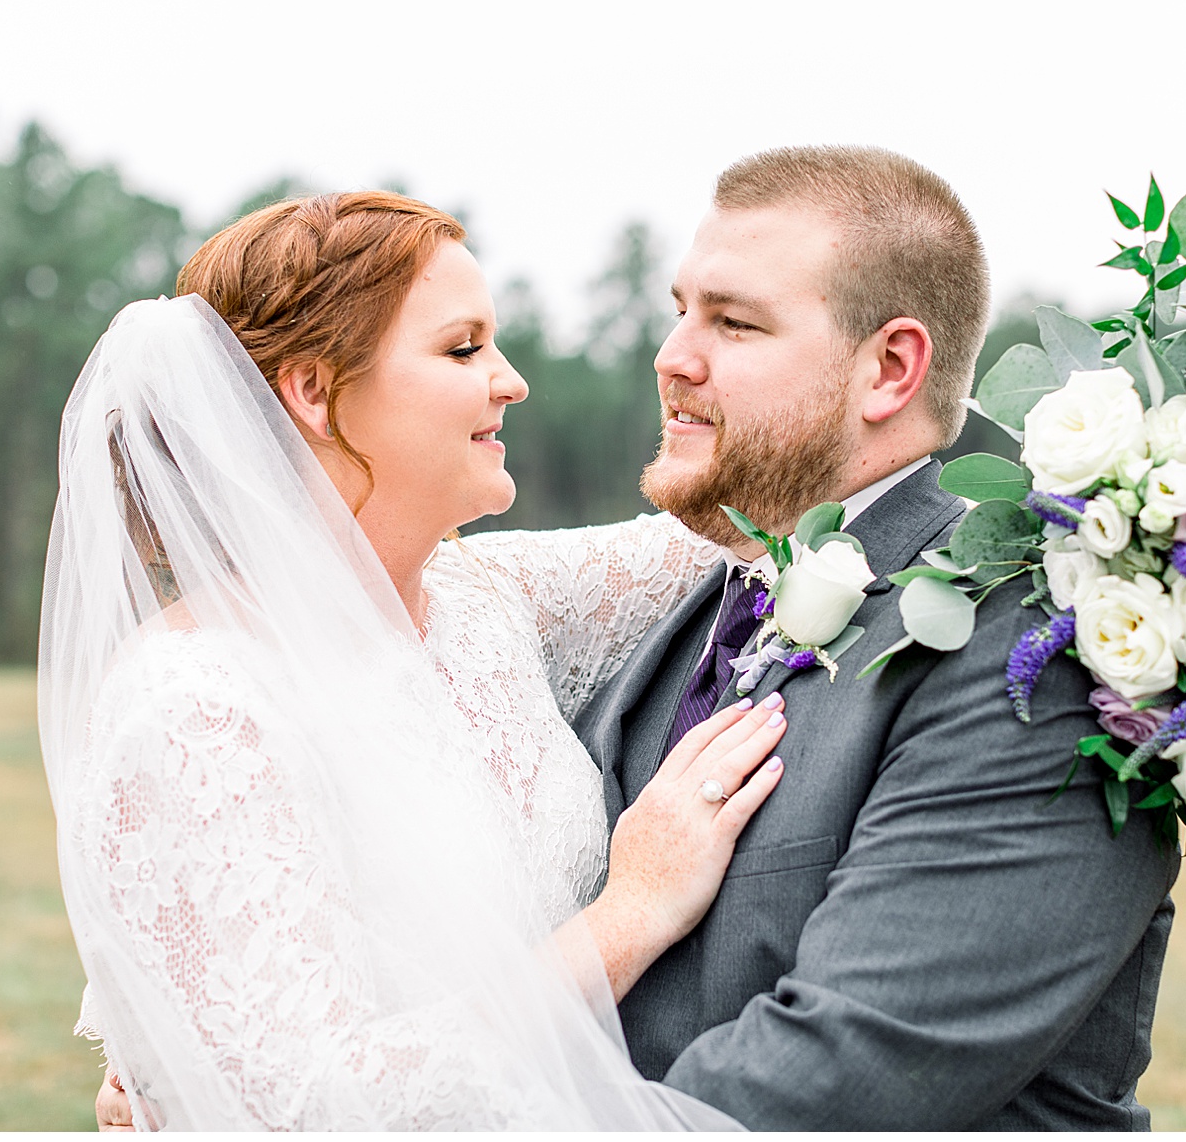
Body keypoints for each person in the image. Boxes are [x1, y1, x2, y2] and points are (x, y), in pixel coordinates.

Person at [46, 192, 787, 1129]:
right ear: (313, 391)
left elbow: (748, 527)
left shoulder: (484, 599)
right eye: (462, 348)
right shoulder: (196, 706)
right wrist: (630, 911)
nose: (511, 380)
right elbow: (314, 1105)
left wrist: (1025, 515)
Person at [576, 146, 1179, 1129]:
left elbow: (833, 1084)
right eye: (681, 309)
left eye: (732, 322)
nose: (674, 356)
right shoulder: (684, 604)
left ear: (890, 369)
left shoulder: (1033, 655)